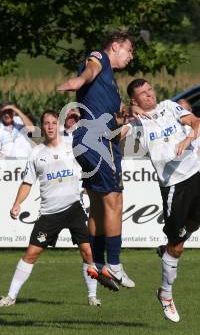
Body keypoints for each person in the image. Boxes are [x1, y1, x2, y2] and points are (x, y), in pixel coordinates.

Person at [120, 79, 200, 322]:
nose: (149, 95)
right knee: (177, 245)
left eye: (150, 90)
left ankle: (166, 248)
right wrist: (128, 112)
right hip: (173, 187)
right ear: (134, 100)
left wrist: (187, 140)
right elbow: (117, 132)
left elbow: (197, 123)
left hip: (194, 176)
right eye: (142, 94)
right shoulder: (136, 122)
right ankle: (165, 294)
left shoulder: (169, 106)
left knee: (195, 225)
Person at [57, 31, 137, 291]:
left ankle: (97, 263)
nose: (131, 56)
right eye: (129, 50)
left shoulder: (111, 83)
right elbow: (90, 69)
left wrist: (126, 116)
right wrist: (78, 80)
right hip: (97, 141)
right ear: (115, 46)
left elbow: (111, 115)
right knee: (115, 199)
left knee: (99, 204)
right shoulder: (99, 58)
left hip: (90, 140)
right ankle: (113, 263)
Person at [0, 110, 101, 307]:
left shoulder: (72, 147)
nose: (50, 126)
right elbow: (27, 183)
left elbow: (90, 167)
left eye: (54, 122)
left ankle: (92, 296)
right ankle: (10, 297)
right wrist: (17, 203)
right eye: (46, 123)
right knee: (31, 254)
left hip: (74, 208)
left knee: (87, 252)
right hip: (49, 214)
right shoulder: (36, 153)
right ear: (42, 126)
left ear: (58, 125)